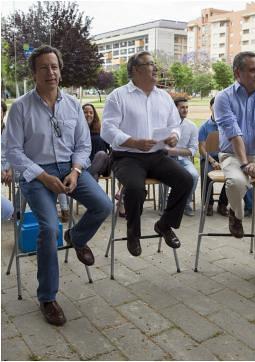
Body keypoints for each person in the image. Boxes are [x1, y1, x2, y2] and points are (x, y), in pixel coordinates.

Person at [5, 45, 112, 325]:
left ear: (60, 71)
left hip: (69, 169)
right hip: (36, 173)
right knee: (50, 227)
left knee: (104, 205)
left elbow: (82, 145)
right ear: (34, 73)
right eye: (44, 67)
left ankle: (76, 238)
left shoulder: (74, 105)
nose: (51, 72)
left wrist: (76, 171)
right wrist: (42, 176)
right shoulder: (20, 108)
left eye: (54, 66)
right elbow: (14, 151)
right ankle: (47, 297)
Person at [102, 51, 192, 258]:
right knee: (134, 188)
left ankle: (164, 224)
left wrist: (174, 136)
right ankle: (133, 233)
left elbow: (174, 125)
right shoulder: (118, 96)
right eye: (150, 64)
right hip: (127, 156)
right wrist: (133, 141)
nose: (155, 68)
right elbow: (108, 130)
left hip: (157, 156)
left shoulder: (164, 97)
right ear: (136, 70)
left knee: (186, 179)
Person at [212, 51, 255, 292]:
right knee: (237, 184)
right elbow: (234, 133)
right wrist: (244, 165)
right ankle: (235, 213)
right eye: (253, 70)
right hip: (231, 154)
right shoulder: (223, 98)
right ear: (237, 73)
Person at [169, 97, 199, 216]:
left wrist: (174, 151)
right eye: (182, 107)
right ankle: (169, 204)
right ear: (175, 109)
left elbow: (192, 150)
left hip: (183, 160)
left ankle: (185, 203)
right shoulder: (167, 125)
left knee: (194, 175)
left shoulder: (192, 126)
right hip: (167, 160)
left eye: (186, 107)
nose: (185, 110)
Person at [82, 103, 111, 180]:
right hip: (86, 165)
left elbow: (111, 147)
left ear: (94, 115)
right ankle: (89, 180)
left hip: (103, 164)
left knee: (101, 154)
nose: (88, 114)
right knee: (95, 175)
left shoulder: (102, 130)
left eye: (91, 112)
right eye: (85, 112)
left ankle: (86, 179)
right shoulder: (78, 132)